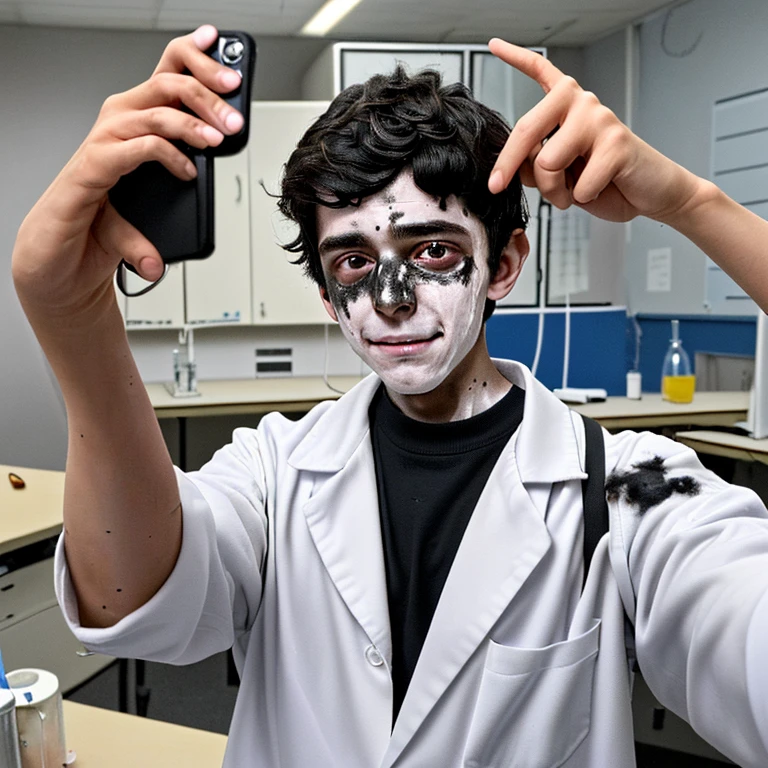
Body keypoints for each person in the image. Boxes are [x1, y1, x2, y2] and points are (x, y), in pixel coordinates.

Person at [11, 23, 768, 768]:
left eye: (432, 250)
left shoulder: (628, 492)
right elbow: (127, 601)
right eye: (352, 262)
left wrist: (694, 205)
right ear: (325, 293)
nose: (393, 297)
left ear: (503, 264)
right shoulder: (276, 472)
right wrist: (76, 323)